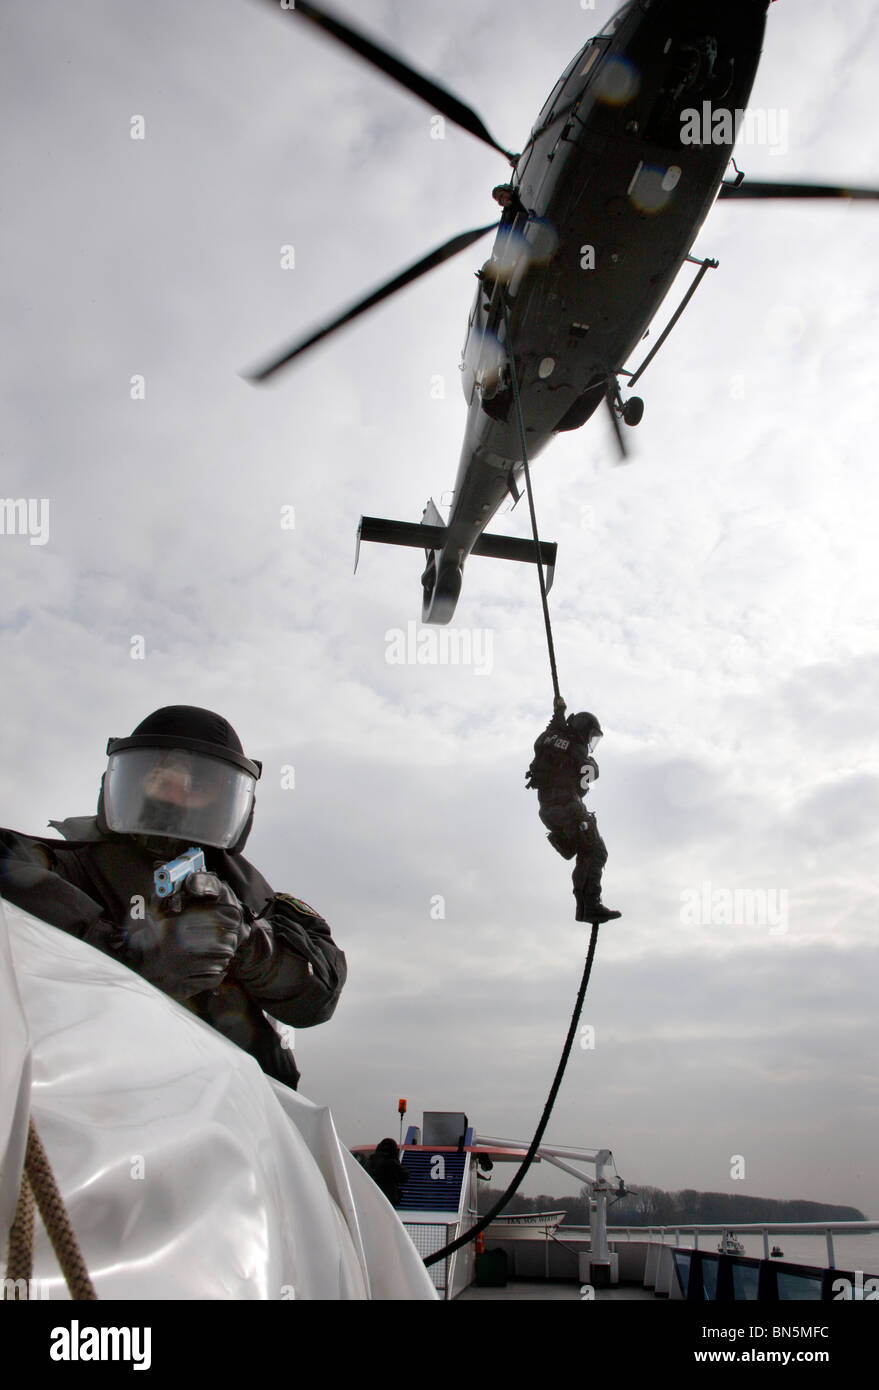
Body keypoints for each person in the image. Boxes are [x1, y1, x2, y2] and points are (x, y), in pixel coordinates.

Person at [0, 705, 346, 1091]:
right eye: (163, 776)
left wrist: (250, 945)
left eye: (197, 785)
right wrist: (124, 957)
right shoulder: (60, 866)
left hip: (239, 1108)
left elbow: (320, 994)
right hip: (80, 1089)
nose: (177, 794)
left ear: (228, 800)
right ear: (128, 780)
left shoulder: (257, 900)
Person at [526, 699, 621, 924]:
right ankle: (589, 905)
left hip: (549, 811)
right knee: (596, 851)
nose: (589, 742)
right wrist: (593, 766)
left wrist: (560, 711)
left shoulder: (546, 739)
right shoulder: (578, 750)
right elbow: (587, 778)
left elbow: (554, 727)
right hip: (568, 807)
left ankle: (584, 904)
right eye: (590, 736)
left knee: (584, 850)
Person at [364, 1139, 410, 1208]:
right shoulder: (391, 1163)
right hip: (388, 1200)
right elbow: (405, 1175)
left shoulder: (369, 1162)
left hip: (370, 1198)